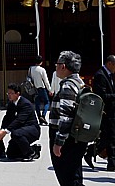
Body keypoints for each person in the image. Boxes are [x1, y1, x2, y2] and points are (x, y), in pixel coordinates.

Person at [48, 50, 86, 186]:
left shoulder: (68, 85)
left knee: (67, 178)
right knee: (74, 176)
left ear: (63, 66)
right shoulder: (80, 82)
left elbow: (66, 116)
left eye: (57, 64)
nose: (56, 67)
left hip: (67, 138)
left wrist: (58, 142)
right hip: (76, 136)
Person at [0, 83, 40, 160]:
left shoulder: (25, 104)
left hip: (31, 130)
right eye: (8, 93)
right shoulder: (11, 104)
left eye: (11, 93)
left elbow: (20, 120)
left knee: (15, 133)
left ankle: (31, 153)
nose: (9, 95)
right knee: (11, 154)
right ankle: (33, 149)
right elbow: (7, 118)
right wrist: (2, 129)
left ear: (17, 94)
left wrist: (6, 131)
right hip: (20, 131)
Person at [90, 54, 115, 171]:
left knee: (107, 137)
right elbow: (101, 96)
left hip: (111, 111)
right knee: (111, 137)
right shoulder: (100, 75)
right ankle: (112, 163)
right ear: (109, 63)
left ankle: (90, 151)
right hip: (106, 112)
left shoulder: (110, 75)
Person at [29, 55, 52, 125]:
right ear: (41, 62)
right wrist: (50, 90)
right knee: (47, 102)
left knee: (37, 103)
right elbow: (46, 81)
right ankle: (43, 115)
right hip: (41, 88)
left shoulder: (30, 69)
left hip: (34, 89)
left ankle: (39, 117)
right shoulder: (42, 70)